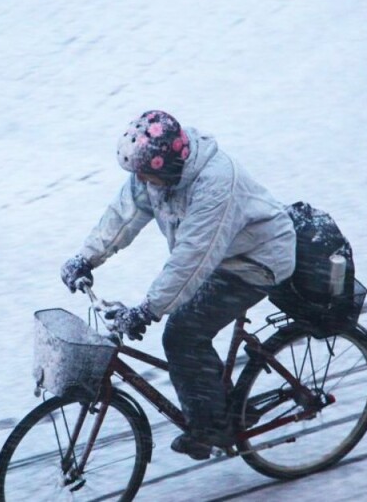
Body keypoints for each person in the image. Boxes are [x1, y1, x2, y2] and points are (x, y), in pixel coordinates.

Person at [60, 110, 297, 460]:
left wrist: (147, 310)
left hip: (256, 261)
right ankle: (227, 408)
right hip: (223, 256)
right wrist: (87, 257)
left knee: (183, 334)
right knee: (186, 330)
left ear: (166, 165)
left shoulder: (215, 183)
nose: (139, 179)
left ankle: (212, 428)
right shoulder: (155, 171)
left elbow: (193, 257)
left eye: (144, 173)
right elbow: (123, 214)